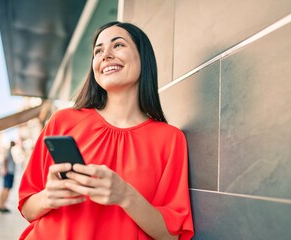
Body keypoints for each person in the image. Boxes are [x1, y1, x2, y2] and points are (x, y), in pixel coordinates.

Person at [18, 21, 194, 239]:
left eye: (118, 45)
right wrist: (49, 197)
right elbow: (27, 207)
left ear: (143, 58)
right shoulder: (63, 121)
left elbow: (172, 235)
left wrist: (125, 195)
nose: (105, 55)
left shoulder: (170, 139)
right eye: (98, 51)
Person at [0, 140, 16, 213]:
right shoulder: (8, 151)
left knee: (5, 188)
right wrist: (5, 169)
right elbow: (5, 160)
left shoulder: (9, 151)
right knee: (6, 189)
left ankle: (1, 205)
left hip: (8, 172)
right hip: (9, 172)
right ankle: (2, 206)